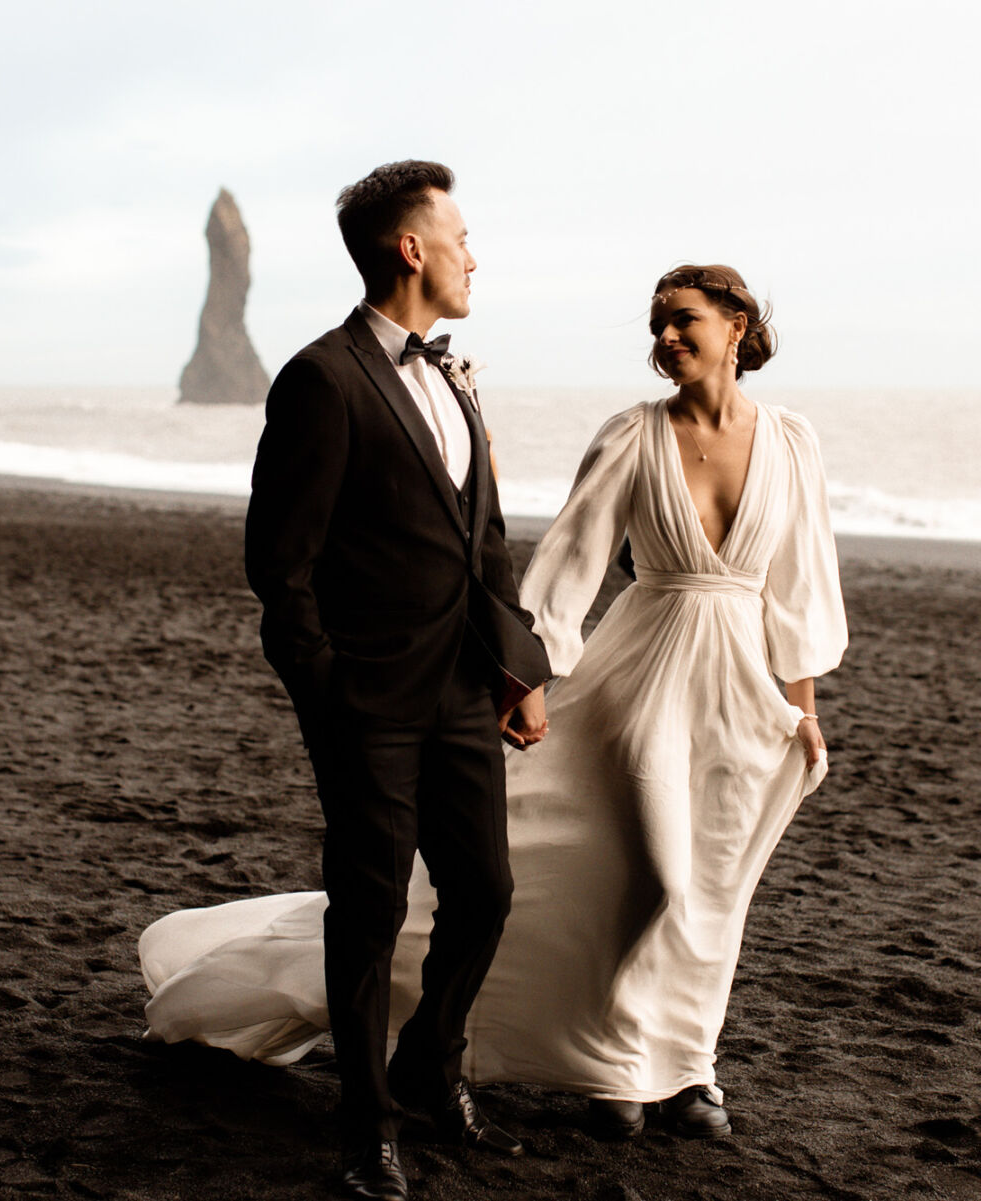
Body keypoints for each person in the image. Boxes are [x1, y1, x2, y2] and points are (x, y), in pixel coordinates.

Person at [141, 263, 846, 1156]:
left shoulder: (793, 441)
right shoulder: (633, 435)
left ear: (738, 323)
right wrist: (525, 676)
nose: (666, 338)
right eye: (659, 323)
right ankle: (619, 1060)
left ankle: (688, 1065)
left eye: (685, 320)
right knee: (654, 878)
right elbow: (566, 571)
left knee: (714, 888)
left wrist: (803, 705)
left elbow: (803, 585)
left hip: (745, 688)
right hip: (646, 676)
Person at [234, 160, 548, 1201]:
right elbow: (280, 567)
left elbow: (485, 540)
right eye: (460, 237)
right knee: (366, 914)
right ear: (411, 250)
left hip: (464, 692)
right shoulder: (321, 380)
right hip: (367, 704)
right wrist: (327, 698)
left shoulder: (459, 378)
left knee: (488, 892)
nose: (473, 254)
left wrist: (518, 666)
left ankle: (431, 1060)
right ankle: (366, 1122)